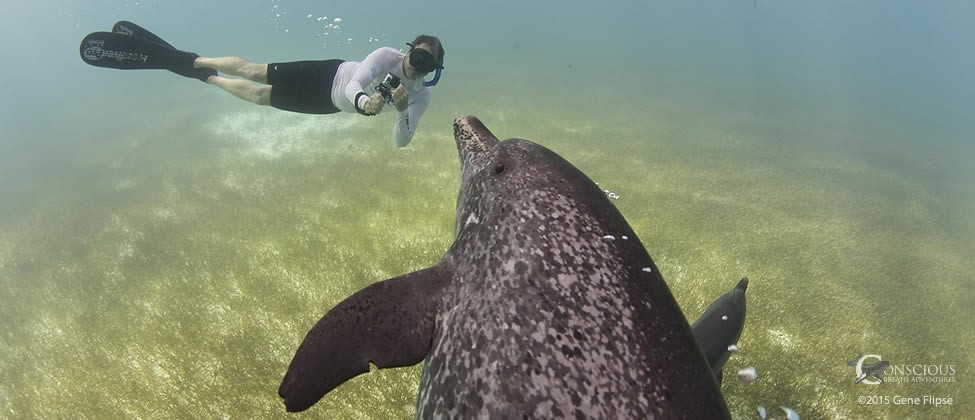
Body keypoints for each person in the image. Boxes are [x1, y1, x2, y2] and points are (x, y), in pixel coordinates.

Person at [80, 21, 445, 148]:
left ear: (433, 70)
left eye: (427, 65)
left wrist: (401, 111)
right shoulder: (386, 56)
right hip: (329, 75)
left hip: (328, 105)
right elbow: (357, 83)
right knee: (253, 72)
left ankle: (208, 77)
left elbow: (401, 142)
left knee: (259, 98)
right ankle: (197, 60)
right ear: (408, 51)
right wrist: (365, 102)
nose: (418, 68)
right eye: (418, 57)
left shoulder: (420, 97)